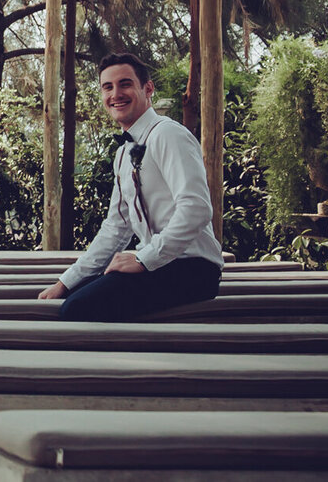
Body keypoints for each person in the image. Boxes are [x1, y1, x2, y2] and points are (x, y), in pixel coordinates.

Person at [38, 52, 223, 321]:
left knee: (77, 309)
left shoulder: (168, 135)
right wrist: (65, 282)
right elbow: (116, 227)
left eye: (125, 84)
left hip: (193, 268)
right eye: (107, 87)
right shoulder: (124, 153)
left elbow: (196, 209)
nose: (116, 94)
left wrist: (142, 259)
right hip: (158, 265)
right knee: (71, 296)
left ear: (147, 88)